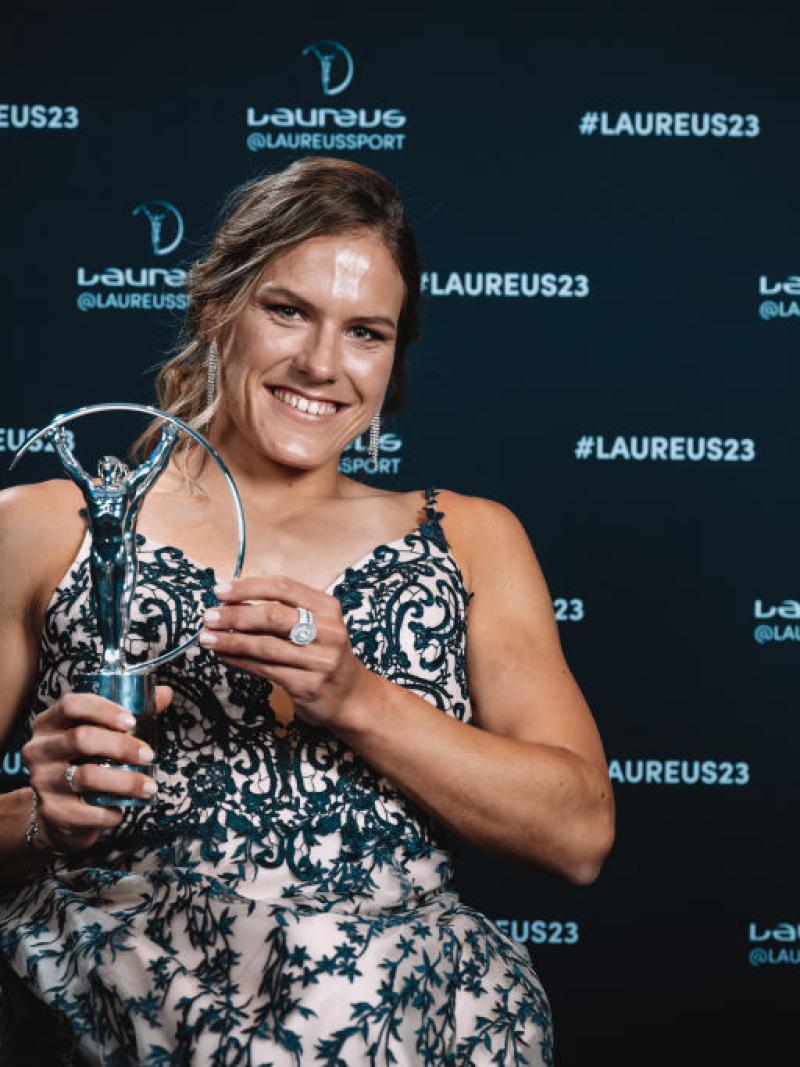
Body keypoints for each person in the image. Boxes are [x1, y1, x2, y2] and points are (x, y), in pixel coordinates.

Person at [0, 156, 614, 1066]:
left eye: (365, 331)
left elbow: (578, 833)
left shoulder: (469, 537)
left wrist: (358, 697)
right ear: (217, 310)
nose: (321, 364)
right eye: (287, 311)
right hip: (120, 1005)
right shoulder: (53, 524)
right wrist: (40, 818)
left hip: (402, 1018)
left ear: (393, 356)